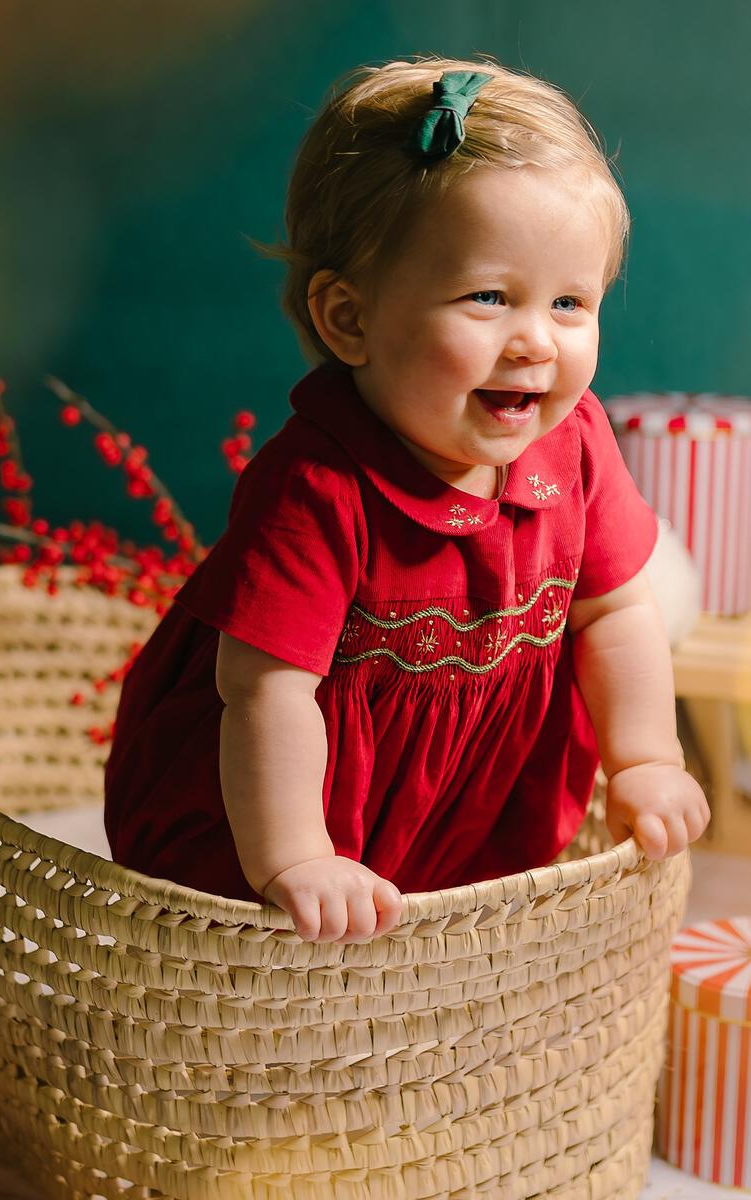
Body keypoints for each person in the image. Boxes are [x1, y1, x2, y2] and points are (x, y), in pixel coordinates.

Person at [104, 56, 709, 944]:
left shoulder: (573, 442)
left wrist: (647, 759)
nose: (536, 339)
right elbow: (266, 694)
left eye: (572, 302)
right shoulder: (316, 486)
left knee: (455, 959)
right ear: (350, 319)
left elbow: (616, 611)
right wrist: (295, 858)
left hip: (476, 795)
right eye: (489, 297)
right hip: (284, 796)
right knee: (263, 970)